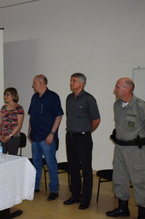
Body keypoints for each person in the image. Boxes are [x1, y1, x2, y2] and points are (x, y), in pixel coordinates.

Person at [106, 78, 145, 219]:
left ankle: (142, 212)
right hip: (119, 148)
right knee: (119, 179)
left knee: (138, 181)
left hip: (135, 150)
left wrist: (139, 135)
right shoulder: (117, 105)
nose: (114, 90)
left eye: (117, 87)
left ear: (127, 89)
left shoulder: (141, 106)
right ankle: (123, 208)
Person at [63, 73, 101, 210]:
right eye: (71, 80)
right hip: (70, 137)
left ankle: (86, 199)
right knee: (73, 168)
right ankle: (75, 196)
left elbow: (96, 119)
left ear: (82, 83)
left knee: (85, 169)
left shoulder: (88, 99)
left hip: (83, 138)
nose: (71, 83)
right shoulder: (69, 98)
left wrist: (86, 132)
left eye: (74, 81)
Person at [28, 74, 64, 201]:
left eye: (34, 82)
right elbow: (31, 115)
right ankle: (36, 187)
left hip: (47, 137)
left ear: (41, 83)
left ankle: (54, 189)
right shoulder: (34, 97)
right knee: (36, 163)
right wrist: (29, 131)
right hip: (35, 137)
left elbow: (58, 116)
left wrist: (52, 134)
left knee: (51, 164)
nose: (32, 85)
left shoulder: (53, 97)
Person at [0, 87, 24, 155]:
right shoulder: (3, 108)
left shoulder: (19, 109)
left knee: (12, 158)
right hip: (2, 137)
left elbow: (19, 125)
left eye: (7, 94)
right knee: (0, 157)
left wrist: (10, 136)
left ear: (13, 95)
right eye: (5, 94)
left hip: (13, 138)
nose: (5, 96)